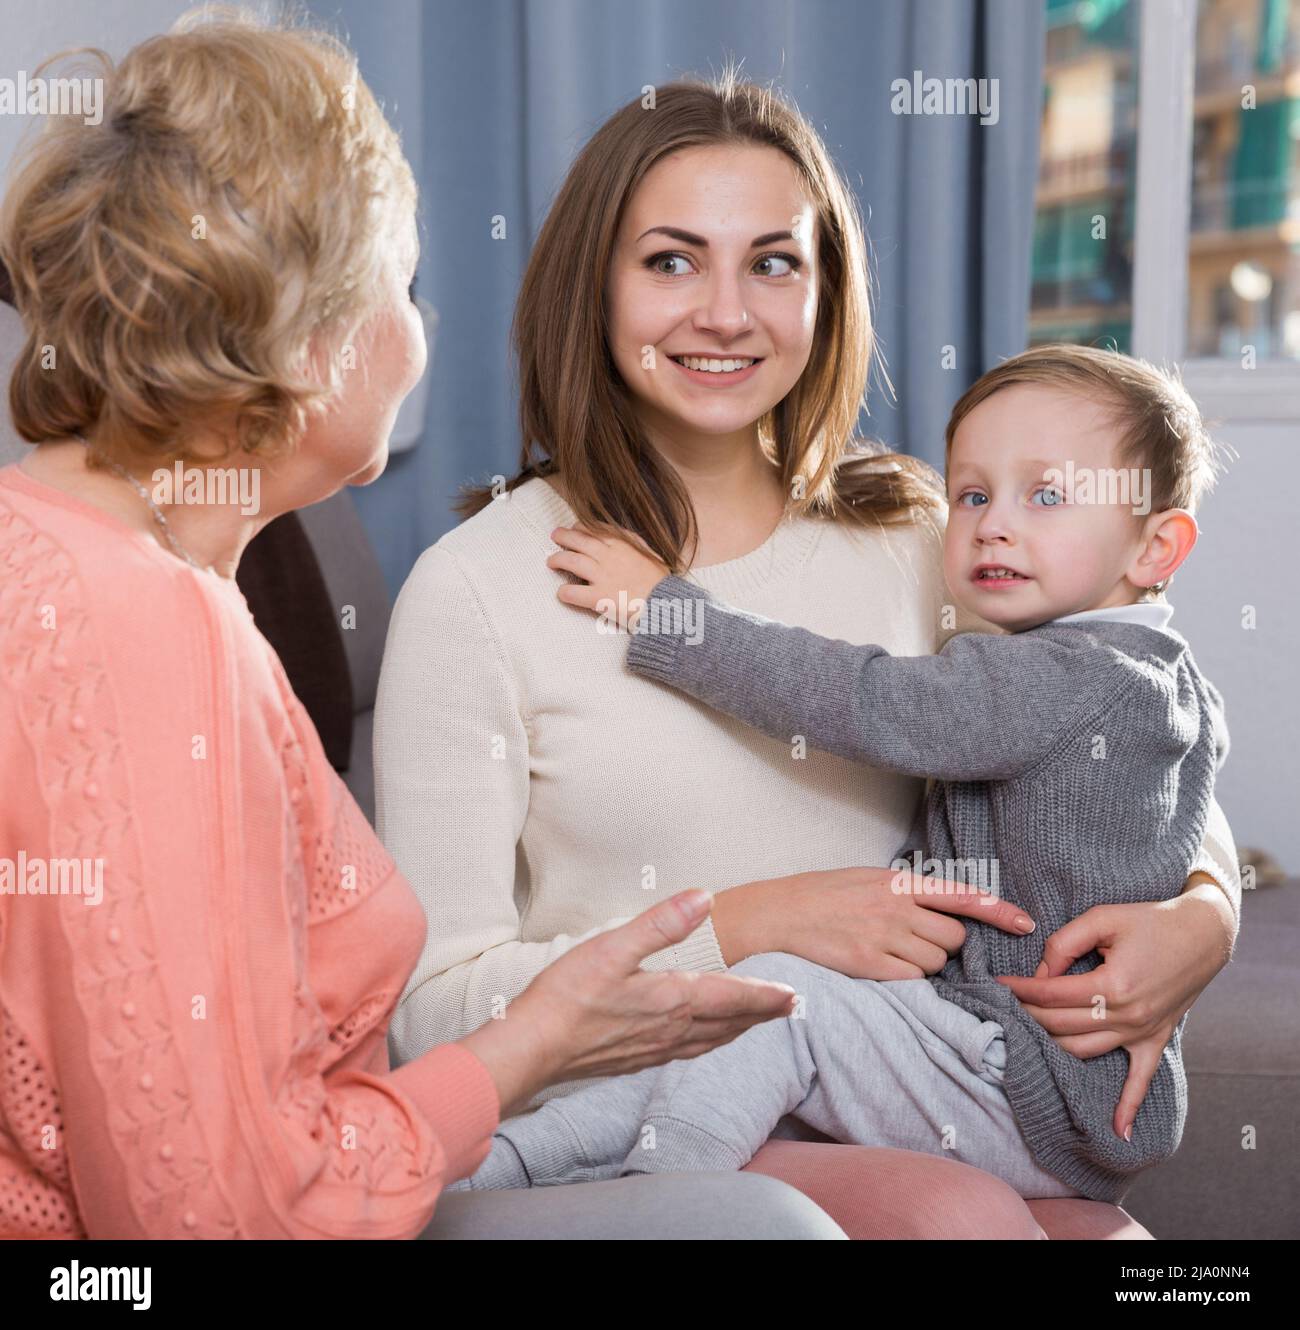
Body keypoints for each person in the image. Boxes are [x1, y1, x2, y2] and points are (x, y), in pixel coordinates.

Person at [0, 9, 841, 1241]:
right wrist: (538, 1040)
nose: (421, 327)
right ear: (308, 339)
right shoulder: (146, 633)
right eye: (401, 284)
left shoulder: (86, 554)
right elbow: (226, 1218)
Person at [375, 75, 1243, 1238]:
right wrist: (752, 922)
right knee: (958, 1219)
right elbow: (429, 1022)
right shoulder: (478, 589)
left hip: (902, 1081)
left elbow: (1113, 734)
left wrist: (1203, 913)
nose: (724, 313)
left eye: (773, 263)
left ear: (827, 294)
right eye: (671, 261)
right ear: (592, 284)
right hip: (614, 1111)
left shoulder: (921, 539)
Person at [456, 344, 1230, 1205]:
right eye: (972, 493)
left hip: (1016, 1082)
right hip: (1044, 1084)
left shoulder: (1059, 676)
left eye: (1046, 496)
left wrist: (666, 611)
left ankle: (664, 1196)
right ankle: (507, 1169)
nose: (992, 524)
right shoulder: (1168, 677)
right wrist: (1211, 907)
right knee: (735, 1033)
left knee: (785, 1010)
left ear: (1158, 546)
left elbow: (863, 699)